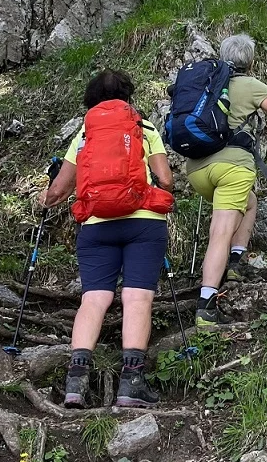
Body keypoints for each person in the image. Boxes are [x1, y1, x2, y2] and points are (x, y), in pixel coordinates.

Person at [39, 70, 173, 409]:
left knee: (94, 299)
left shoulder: (85, 133)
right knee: (137, 297)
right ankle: (131, 384)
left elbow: (58, 192)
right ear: (128, 96)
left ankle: (76, 384)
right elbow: (166, 178)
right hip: (143, 223)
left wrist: (48, 196)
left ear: (91, 100)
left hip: (97, 226)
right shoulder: (144, 127)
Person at [186, 34, 267, 331]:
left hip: (196, 168)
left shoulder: (207, 83)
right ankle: (206, 306)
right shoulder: (250, 85)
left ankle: (236, 262)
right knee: (220, 232)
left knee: (249, 202)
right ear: (250, 61)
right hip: (233, 168)